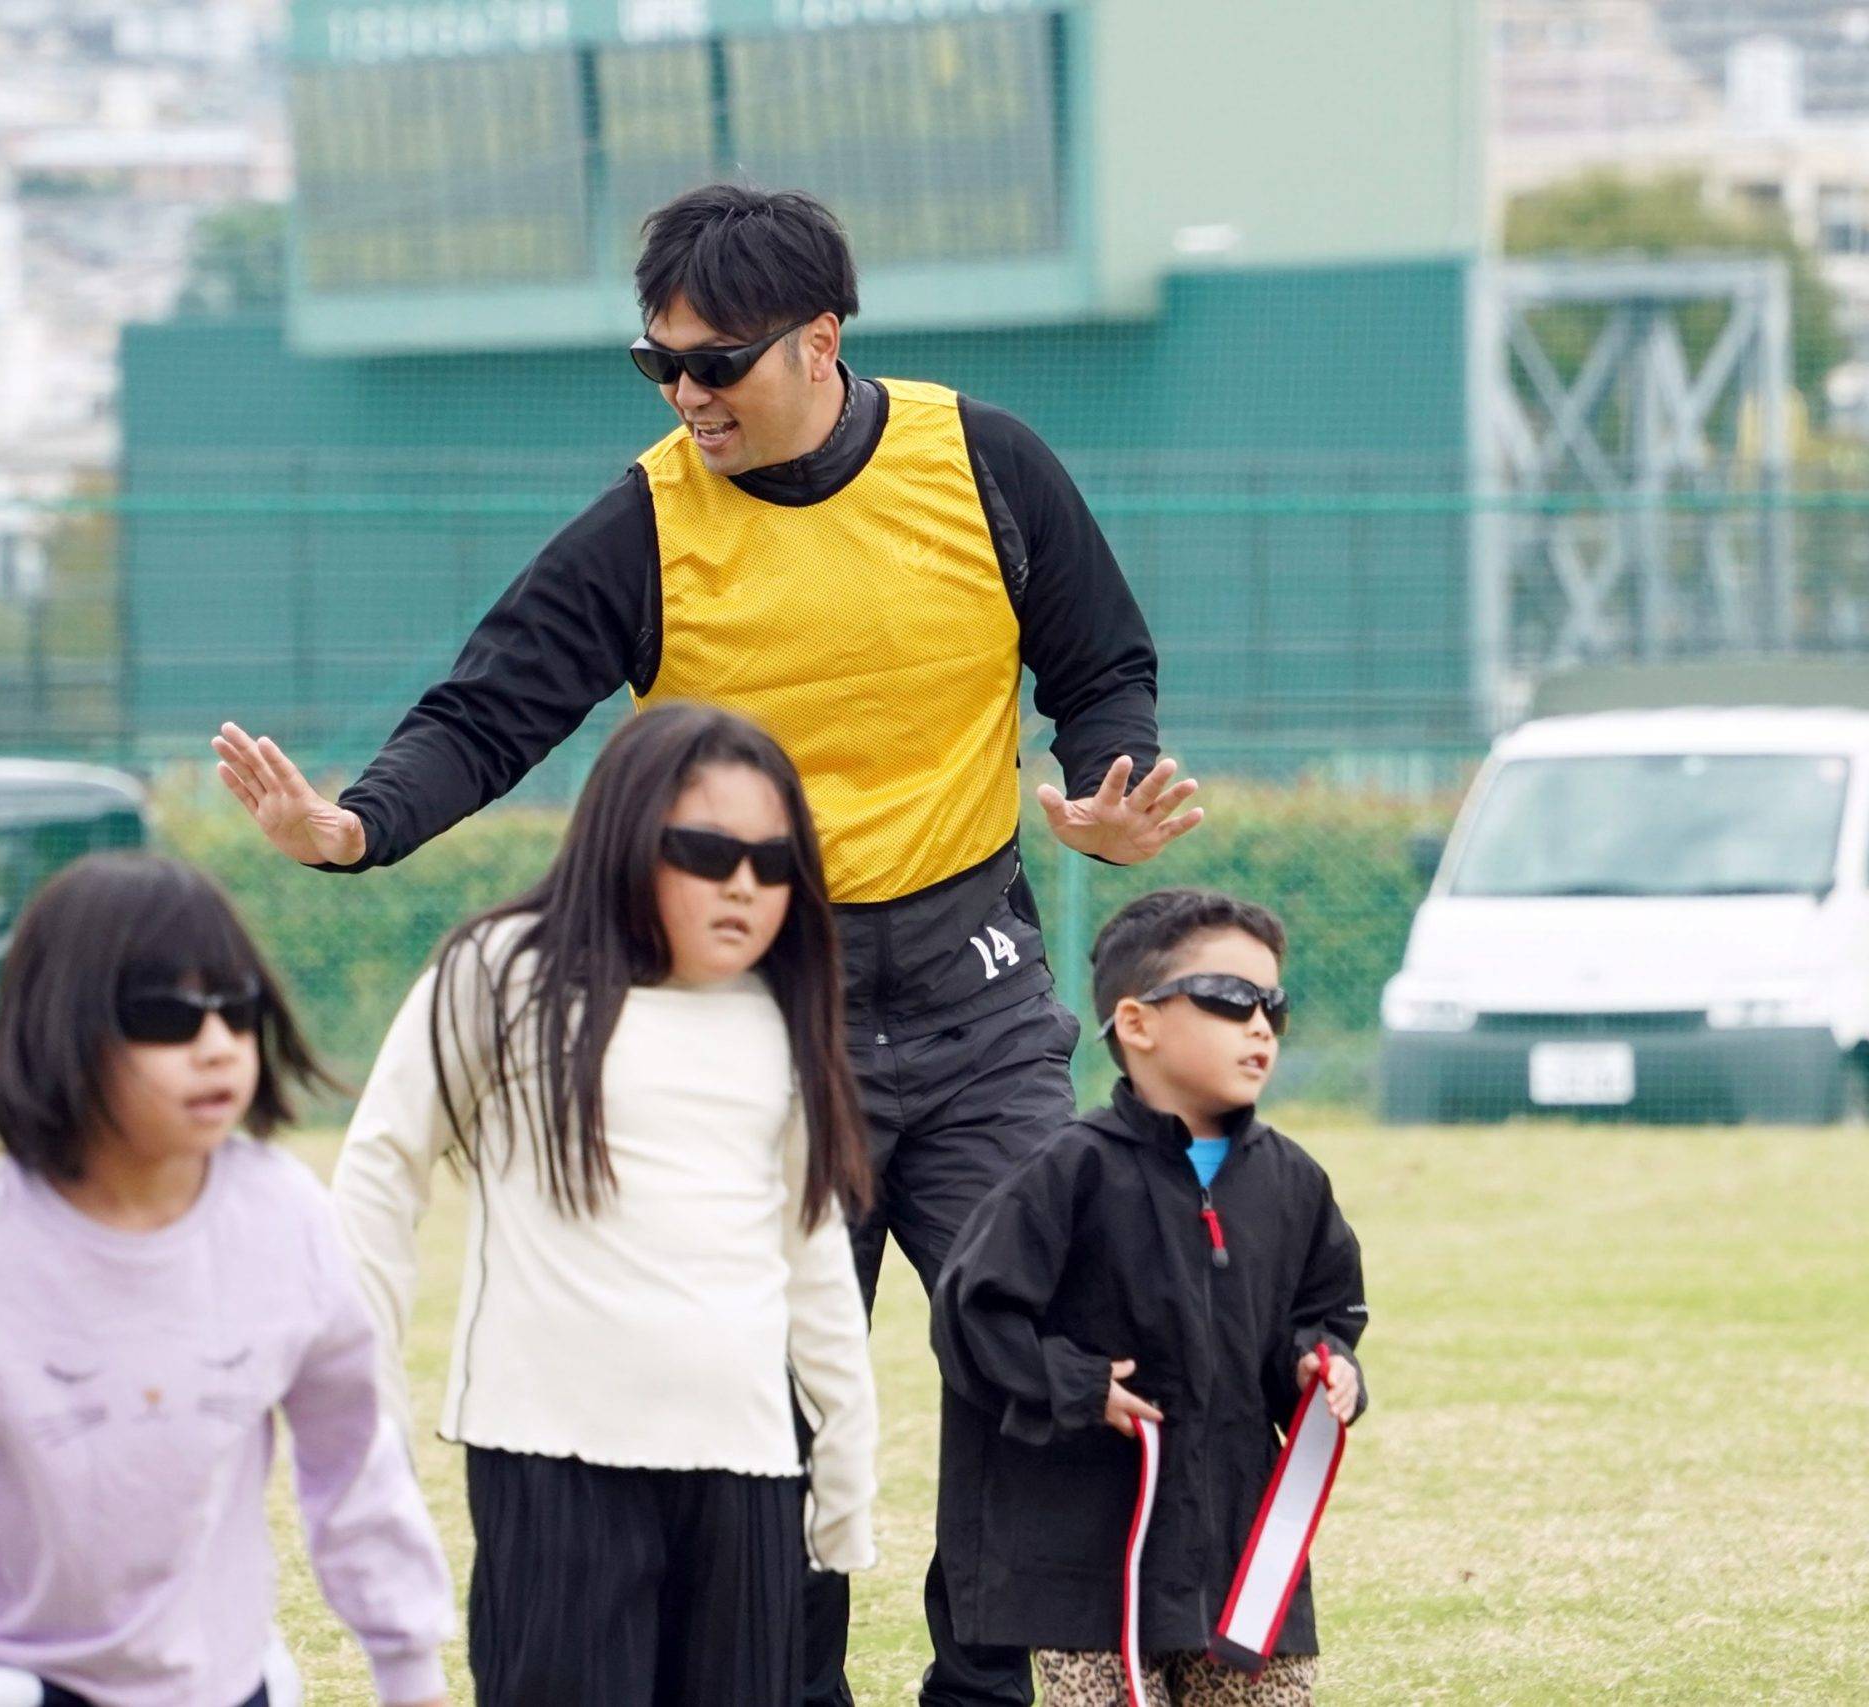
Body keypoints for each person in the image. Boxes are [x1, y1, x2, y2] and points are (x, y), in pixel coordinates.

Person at [213, 183, 1198, 1706]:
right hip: (762, 1019)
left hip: (977, 1000)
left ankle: (987, 1689)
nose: (686, 394)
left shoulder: (983, 462)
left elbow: (1101, 664)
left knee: (1045, 1350)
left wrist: (1110, 786)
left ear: (819, 341)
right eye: (657, 363)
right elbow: (490, 708)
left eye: (715, 362)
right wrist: (354, 827)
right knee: (770, 1399)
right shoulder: (647, 523)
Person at [0, 854, 456, 1707]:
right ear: (66, 1028)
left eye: (236, 1008)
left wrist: (411, 1671)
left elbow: (355, 1468)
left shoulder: (287, 1216)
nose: (216, 1045)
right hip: (12, 1676)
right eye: (165, 1016)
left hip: (224, 1680)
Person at [334, 703, 880, 1706]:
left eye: (773, 863)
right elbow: (378, 1176)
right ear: (628, 833)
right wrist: (367, 1419)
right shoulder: (503, 974)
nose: (744, 885)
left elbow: (808, 1243)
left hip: (745, 1464)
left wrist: (844, 1452)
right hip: (552, 1454)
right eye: (708, 851)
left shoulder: (780, 1010)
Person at [930, 889, 1369, 1707]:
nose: (1260, 1025)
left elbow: (1326, 1310)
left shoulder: (1294, 1182)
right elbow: (972, 1314)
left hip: (1239, 1559)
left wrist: (1322, 1365)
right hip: (1091, 1569)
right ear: (1136, 1023)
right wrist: (1075, 1383)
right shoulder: (1069, 1172)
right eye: (1230, 998)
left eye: (1273, 1004)